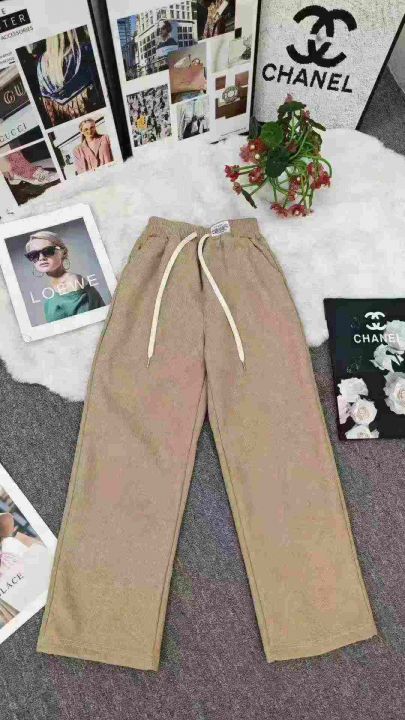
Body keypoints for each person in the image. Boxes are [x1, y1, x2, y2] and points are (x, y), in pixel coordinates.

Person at [24, 230, 105, 323]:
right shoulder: (54, 286)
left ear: (63, 252)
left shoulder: (71, 281)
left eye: (48, 251)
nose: (41, 258)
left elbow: (88, 324)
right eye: (34, 255)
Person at [35, 29, 104, 126]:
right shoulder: (85, 50)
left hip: (67, 119)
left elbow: (49, 107)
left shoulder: (41, 64)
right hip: (93, 111)